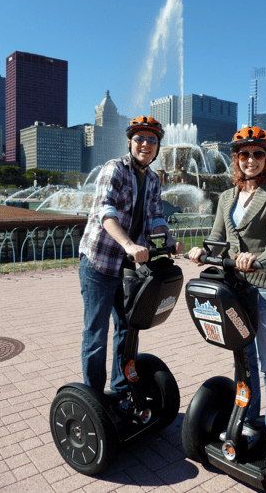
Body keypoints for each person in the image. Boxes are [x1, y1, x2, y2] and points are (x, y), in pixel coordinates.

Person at [189, 126, 266, 453]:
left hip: (262, 290)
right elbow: (217, 240)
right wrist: (200, 251)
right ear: (236, 158)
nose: (251, 160)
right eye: (245, 154)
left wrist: (257, 260)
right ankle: (248, 421)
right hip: (234, 288)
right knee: (244, 360)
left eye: (258, 154)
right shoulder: (225, 198)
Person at [79, 115, 184, 395]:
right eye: (140, 138)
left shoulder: (152, 179)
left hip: (128, 268)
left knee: (127, 329)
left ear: (158, 146)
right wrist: (128, 244)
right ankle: (94, 399)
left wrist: (168, 239)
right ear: (130, 142)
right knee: (96, 335)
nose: (146, 144)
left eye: (152, 140)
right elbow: (105, 211)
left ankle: (120, 389)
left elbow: (155, 217)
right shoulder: (114, 169)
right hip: (99, 264)